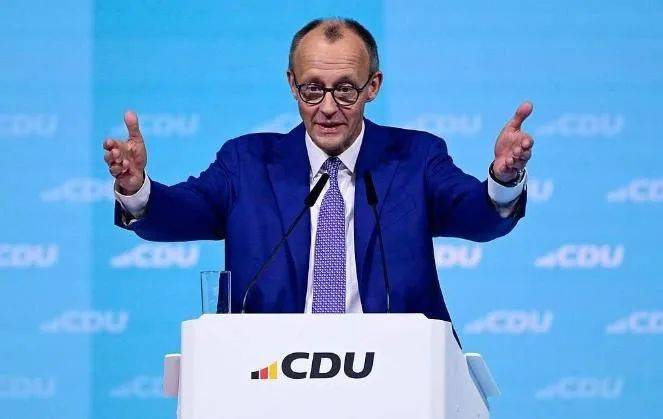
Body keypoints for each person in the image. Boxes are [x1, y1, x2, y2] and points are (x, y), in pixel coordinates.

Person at [103, 18, 533, 324]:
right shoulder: (247, 163)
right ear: (292, 84)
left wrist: (503, 180)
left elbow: (478, 216)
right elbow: (178, 213)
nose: (327, 107)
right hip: (269, 378)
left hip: (398, 376)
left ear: (373, 86)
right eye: (312, 89)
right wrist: (137, 188)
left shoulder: (415, 157)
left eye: (345, 89)